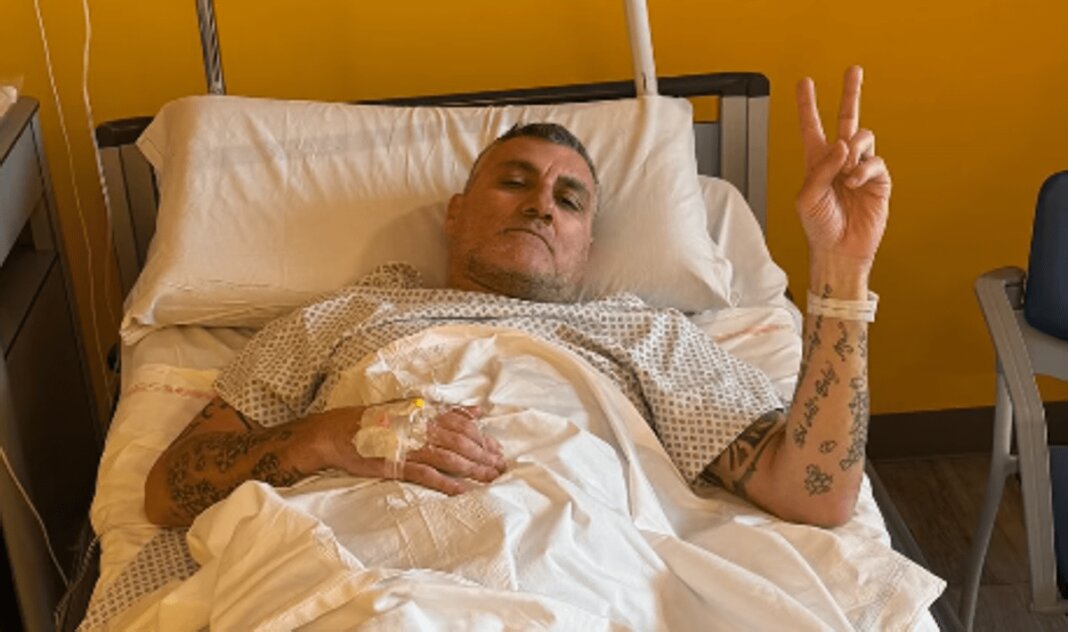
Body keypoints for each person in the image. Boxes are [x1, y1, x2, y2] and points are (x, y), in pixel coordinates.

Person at [145, 65, 889, 530]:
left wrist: (841, 270)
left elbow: (813, 493)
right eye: (513, 181)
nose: (541, 205)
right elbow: (169, 494)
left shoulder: (646, 335)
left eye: (570, 199)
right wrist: (329, 436)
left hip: (585, 566)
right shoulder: (342, 317)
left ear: (587, 245)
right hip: (352, 558)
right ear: (454, 214)